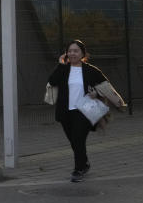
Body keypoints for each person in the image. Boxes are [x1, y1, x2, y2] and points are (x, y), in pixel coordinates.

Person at [47, 39, 122, 183]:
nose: (72, 53)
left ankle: (78, 169)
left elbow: (105, 87)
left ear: (83, 53)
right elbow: (52, 81)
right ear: (66, 53)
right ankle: (85, 162)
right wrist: (60, 65)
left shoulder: (91, 70)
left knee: (78, 139)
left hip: (84, 111)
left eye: (76, 51)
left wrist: (97, 94)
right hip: (65, 112)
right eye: (70, 51)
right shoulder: (64, 69)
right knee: (74, 141)